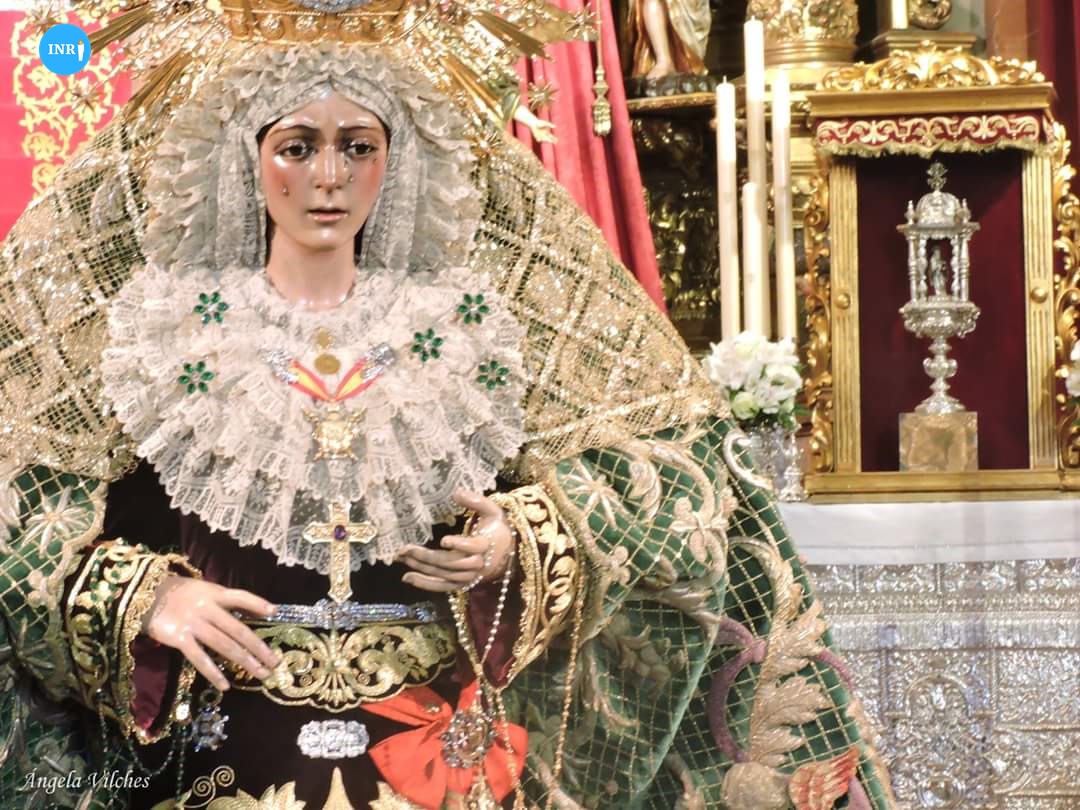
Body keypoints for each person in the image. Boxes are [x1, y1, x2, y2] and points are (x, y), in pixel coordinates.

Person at [0, 2, 896, 809]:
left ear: (398, 159)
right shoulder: (158, 328)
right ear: (246, 156)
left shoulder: (472, 320)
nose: (329, 178)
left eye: (359, 147)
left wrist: (530, 539)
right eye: (296, 147)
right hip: (214, 748)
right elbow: (21, 499)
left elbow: (670, 482)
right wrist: (139, 598)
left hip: (439, 752)